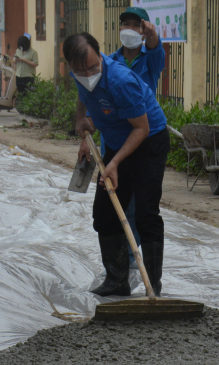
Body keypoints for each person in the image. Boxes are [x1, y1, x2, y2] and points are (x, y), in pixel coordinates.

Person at [68, 32, 170, 297]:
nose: (88, 74)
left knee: (146, 213)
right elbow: (83, 93)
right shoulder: (80, 74)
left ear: (100, 56)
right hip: (117, 142)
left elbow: (141, 128)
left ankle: (153, 286)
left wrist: (114, 163)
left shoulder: (121, 81)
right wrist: (81, 118)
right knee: (104, 213)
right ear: (72, 66)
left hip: (148, 141)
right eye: (81, 71)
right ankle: (116, 281)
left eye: (93, 67)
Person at [82, 6, 164, 269]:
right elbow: (91, 96)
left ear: (143, 30)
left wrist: (151, 35)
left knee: (141, 207)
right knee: (114, 202)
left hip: (142, 133)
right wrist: (86, 131)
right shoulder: (104, 62)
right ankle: (119, 270)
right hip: (115, 140)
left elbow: (155, 48)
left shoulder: (149, 59)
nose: (129, 29)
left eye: (136, 25)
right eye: (125, 24)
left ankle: (134, 260)